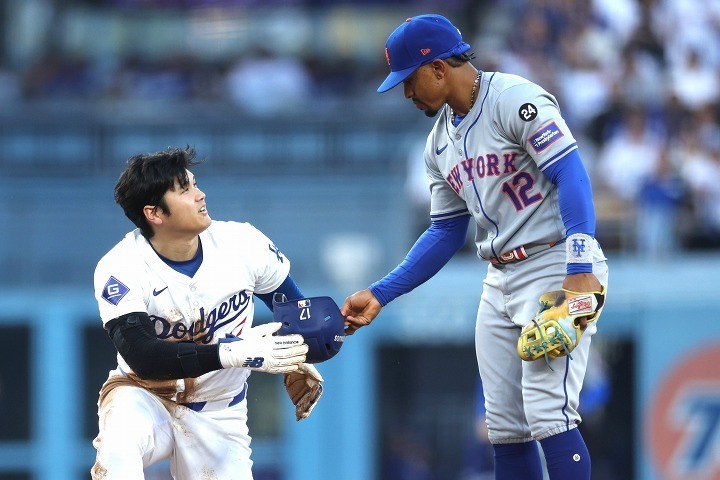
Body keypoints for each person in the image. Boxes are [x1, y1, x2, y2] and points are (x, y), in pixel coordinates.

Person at [341, 14, 609, 480]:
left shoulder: (513, 99)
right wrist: (381, 292)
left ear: (439, 68)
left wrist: (580, 265)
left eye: (409, 79)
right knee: (503, 426)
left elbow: (572, 173)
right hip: (499, 276)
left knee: (550, 414)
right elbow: (445, 231)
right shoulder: (438, 144)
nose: (406, 93)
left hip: (554, 262)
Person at [91, 146, 323, 479]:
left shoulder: (243, 243)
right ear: (154, 213)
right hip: (144, 395)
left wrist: (303, 351)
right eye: (185, 189)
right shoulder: (121, 266)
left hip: (219, 408)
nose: (200, 194)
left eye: (195, 184)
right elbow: (143, 356)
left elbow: (296, 314)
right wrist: (237, 354)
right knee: (118, 450)